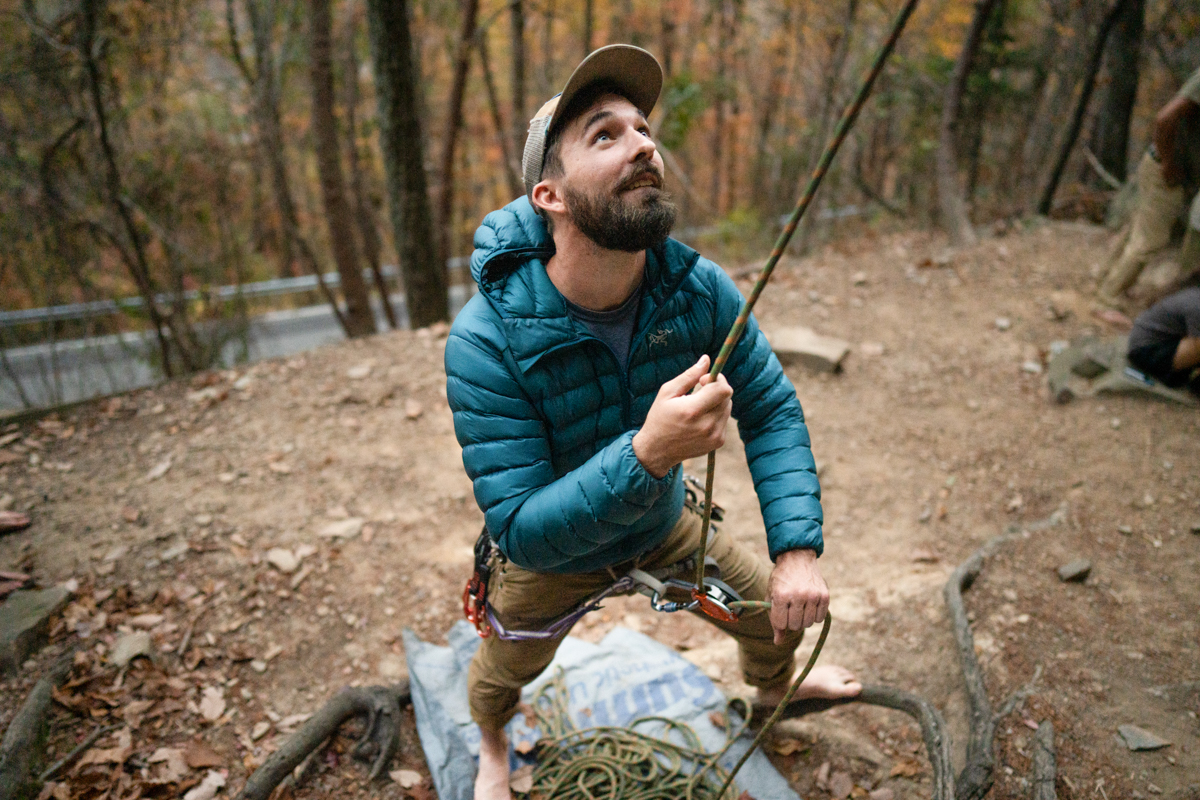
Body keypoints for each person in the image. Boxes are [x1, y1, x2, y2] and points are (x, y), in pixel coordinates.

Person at [444, 45, 861, 800]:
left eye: (643, 129)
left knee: (775, 614)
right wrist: (647, 453)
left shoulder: (696, 288)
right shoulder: (484, 338)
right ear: (551, 197)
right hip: (551, 557)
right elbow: (519, 524)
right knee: (504, 667)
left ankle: (774, 694)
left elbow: (769, 407)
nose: (643, 144)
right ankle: (493, 749)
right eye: (605, 135)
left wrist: (796, 549)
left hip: (663, 523)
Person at [1098, 66, 1200, 306]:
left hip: (1166, 167)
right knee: (1151, 241)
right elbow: (1164, 118)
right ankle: (1107, 295)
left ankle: (1106, 279)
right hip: (1165, 170)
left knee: (1140, 229)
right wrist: (1168, 163)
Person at [1127, 282, 1200, 395]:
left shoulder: (1194, 294)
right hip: (1145, 351)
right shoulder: (1196, 303)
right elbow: (1197, 345)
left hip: (1161, 344)